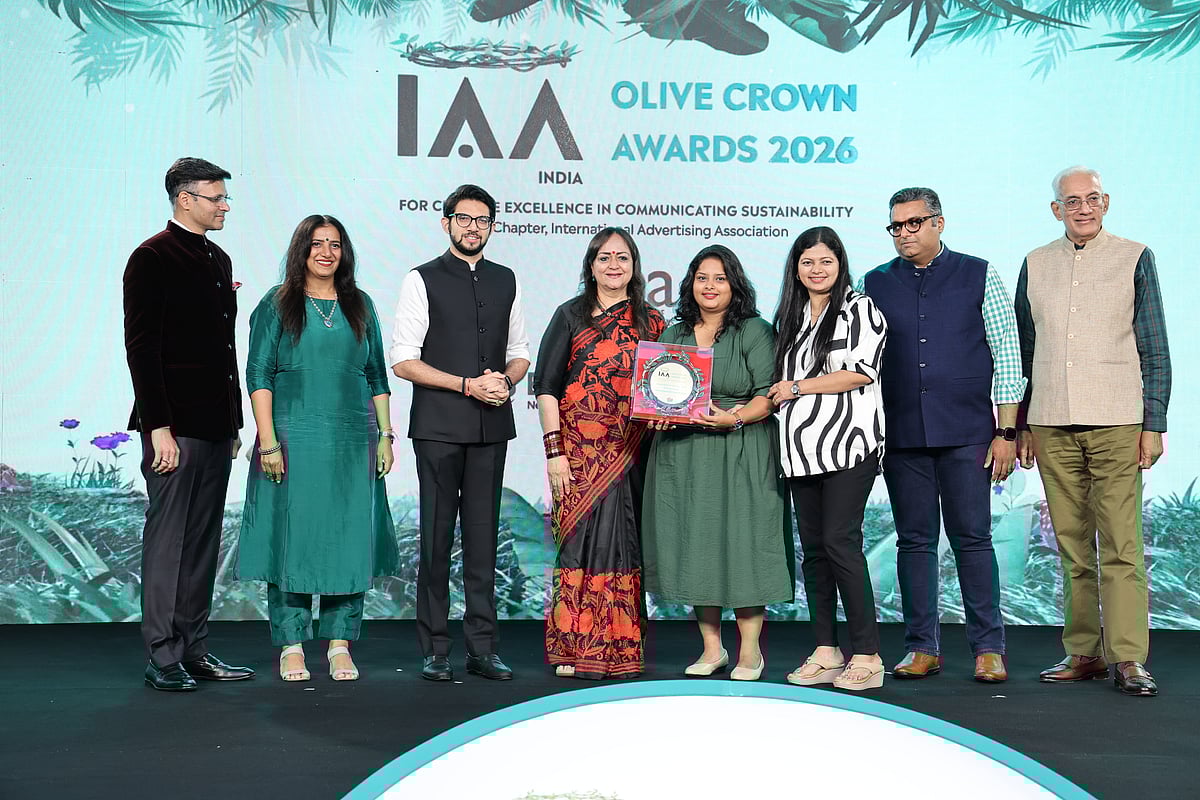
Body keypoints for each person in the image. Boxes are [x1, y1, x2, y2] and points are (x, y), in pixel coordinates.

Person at [1015, 166, 1170, 697]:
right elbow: (1024, 355)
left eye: (1092, 199)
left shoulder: (1134, 257)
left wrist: (1155, 423)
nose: (1083, 208)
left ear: (1107, 203)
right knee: (1072, 546)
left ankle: (1129, 659)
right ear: (1056, 210)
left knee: (1123, 546)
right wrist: (1020, 426)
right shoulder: (1035, 264)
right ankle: (1083, 653)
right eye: (1071, 201)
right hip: (1050, 423)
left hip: (1117, 421)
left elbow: (1155, 348)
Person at [861, 187, 1022, 683]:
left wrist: (1006, 432)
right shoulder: (874, 282)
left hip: (969, 433)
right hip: (902, 435)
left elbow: (1008, 354)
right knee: (913, 542)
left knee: (973, 539)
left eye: (914, 223)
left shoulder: (979, 273)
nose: (904, 233)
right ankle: (921, 647)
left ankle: (988, 648)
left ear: (939, 223)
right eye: (896, 226)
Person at [237, 215, 398, 682]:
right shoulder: (276, 303)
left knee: (349, 539)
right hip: (292, 436)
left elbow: (377, 377)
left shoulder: (360, 305)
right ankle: (291, 644)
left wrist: (385, 436)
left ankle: (340, 642)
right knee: (292, 539)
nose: (326, 252)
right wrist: (268, 442)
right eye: (317, 244)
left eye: (335, 244)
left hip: (353, 441)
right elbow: (259, 374)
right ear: (300, 251)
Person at [123, 157, 254, 691]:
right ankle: (162, 654)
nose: (224, 206)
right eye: (216, 197)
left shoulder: (217, 258)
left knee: (201, 542)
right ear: (184, 199)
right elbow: (143, 348)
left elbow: (223, 350)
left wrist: (233, 421)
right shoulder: (152, 257)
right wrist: (158, 428)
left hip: (215, 425)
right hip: (173, 428)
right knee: (169, 540)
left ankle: (194, 649)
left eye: (225, 198)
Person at [391, 185, 530, 682]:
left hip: (492, 428)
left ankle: (482, 648)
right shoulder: (420, 279)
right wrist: (467, 385)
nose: (474, 227)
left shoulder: (506, 279)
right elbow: (404, 361)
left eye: (483, 220)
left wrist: (505, 381)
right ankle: (434, 649)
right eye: (464, 218)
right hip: (438, 428)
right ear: (446, 222)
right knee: (434, 539)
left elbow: (519, 351)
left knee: (482, 540)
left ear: (492, 225)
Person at [642, 244, 792, 681]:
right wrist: (659, 418)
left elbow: (768, 394)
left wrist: (735, 417)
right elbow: (654, 396)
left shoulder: (754, 331)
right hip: (683, 455)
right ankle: (712, 649)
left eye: (720, 278)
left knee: (744, 544)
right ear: (690, 283)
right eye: (702, 277)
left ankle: (750, 652)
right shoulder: (673, 334)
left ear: (735, 284)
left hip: (742, 447)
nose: (710, 286)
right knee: (695, 544)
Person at [534, 228, 665, 680]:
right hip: (575, 455)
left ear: (634, 265)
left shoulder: (652, 322)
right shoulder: (569, 315)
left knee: (623, 544)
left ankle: (617, 645)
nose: (614, 265)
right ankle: (572, 645)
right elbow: (546, 388)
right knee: (577, 546)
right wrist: (554, 453)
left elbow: (664, 388)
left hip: (630, 454)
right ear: (590, 265)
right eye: (605, 257)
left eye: (623, 257)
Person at [767, 226, 887, 691]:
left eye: (825, 262)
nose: (816, 271)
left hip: (848, 445)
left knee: (841, 543)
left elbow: (859, 373)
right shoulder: (791, 317)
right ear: (795, 269)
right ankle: (826, 650)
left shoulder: (860, 309)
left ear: (841, 264)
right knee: (814, 553)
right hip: (799, 450)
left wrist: (799, 387)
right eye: (807, 263)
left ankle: (868, 654)